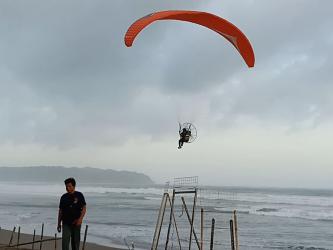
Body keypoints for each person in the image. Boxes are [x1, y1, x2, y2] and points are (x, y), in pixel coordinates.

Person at [57, 178, 86, 250]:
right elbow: (60, 211)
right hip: (66, 223)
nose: (67, 188)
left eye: (69, 186)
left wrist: (80, 219)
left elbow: (84, 208)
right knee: (65, 243)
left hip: (76, 222)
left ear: (74, 186)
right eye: (66, 186)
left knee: (75, 244)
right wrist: (58, 223)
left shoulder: (79, 195)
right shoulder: (63, 197)